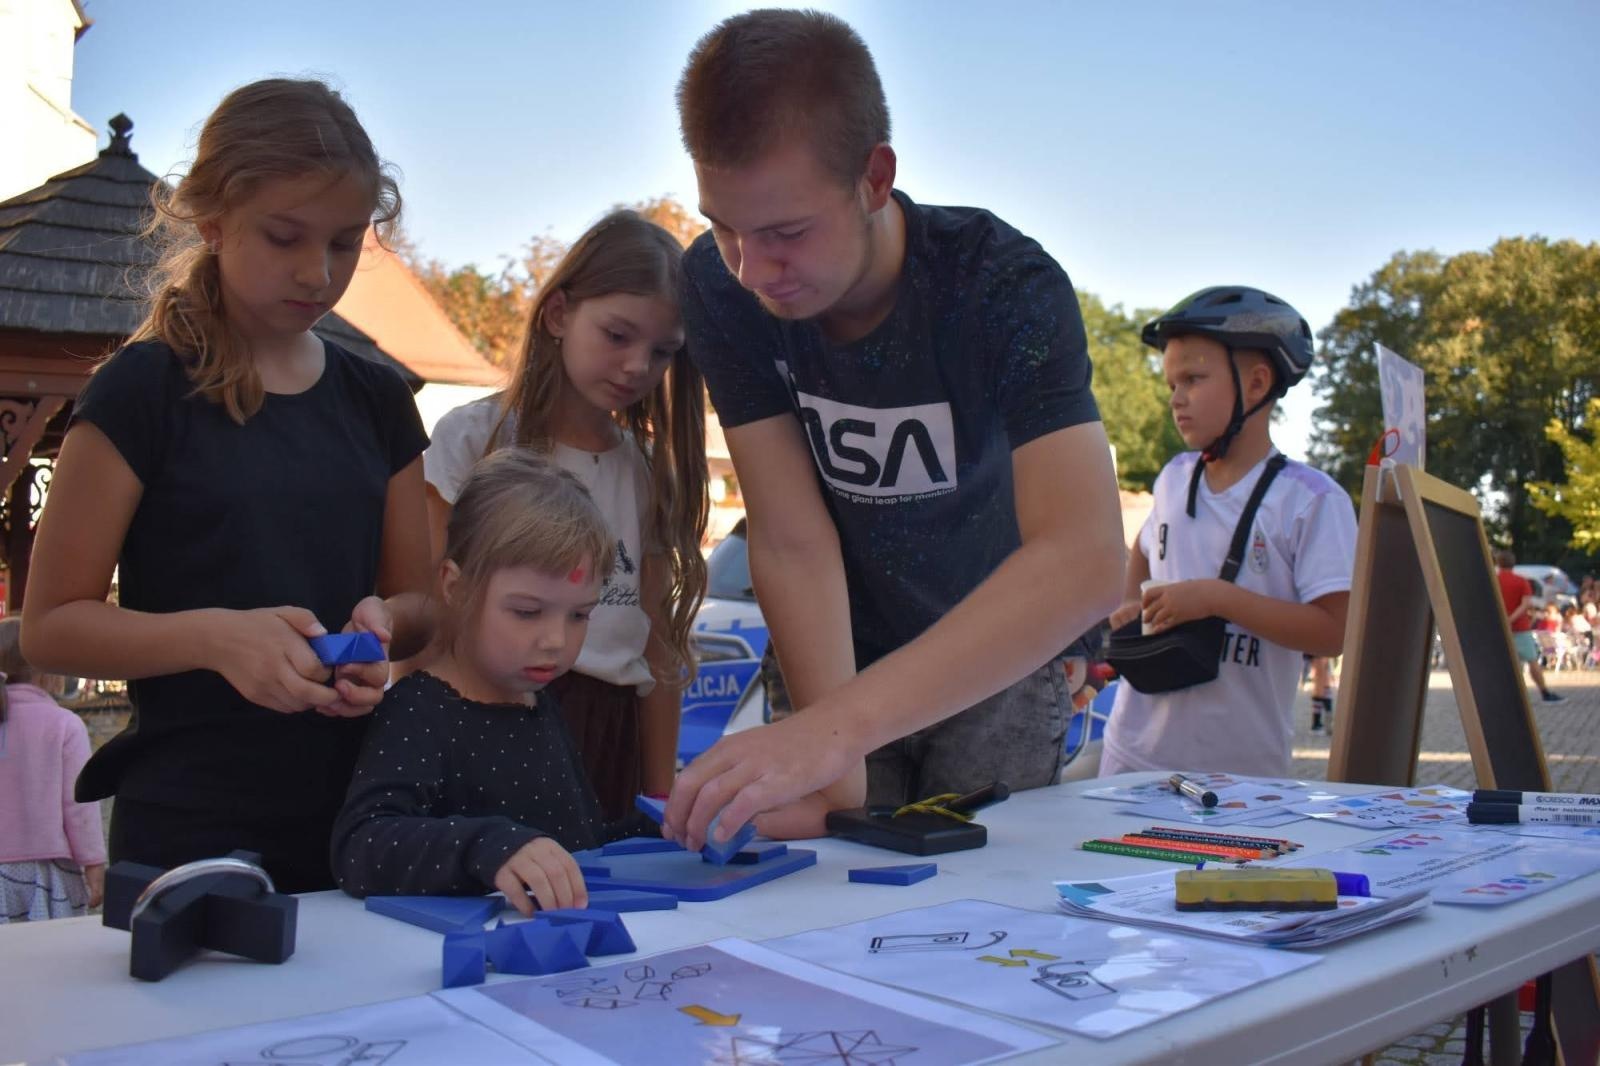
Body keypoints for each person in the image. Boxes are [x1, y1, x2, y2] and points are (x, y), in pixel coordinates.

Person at [667, 9, 1124, 847]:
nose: (750, 270)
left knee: (988, 918)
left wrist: (833, 731)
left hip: (995, 660)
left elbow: (1087, 558)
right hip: (833, 655)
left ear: (874, 178)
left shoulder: (1000, 283)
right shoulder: (719, 286)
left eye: (786, 233)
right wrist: (831, 747)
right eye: (723, 226)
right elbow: (791, 536)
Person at [21, 79, 434, 892]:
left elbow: (422, 601)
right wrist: (216, 640)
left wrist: (383, 633)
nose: (318, 272)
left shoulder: (380, 399)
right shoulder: (139, 391)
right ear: (212, 221)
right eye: (284, 237)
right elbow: (50, 628)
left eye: (346, 243)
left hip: (357, 818)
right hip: (187, 826)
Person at [422, 212, 707, 820]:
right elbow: (429, 619)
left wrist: (657, 797)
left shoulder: (652, 469)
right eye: (617, 335)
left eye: (662, 352)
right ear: (558, 315)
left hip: (610, 738)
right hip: (484, 727)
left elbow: (657, 644)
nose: (637, 366)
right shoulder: (473, 439)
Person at [333, 451, 642, 915]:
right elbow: (362, 845)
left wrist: (667, 826)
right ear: (455, 587)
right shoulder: (420, 709)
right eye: (526, 612)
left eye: (580, 615)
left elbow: (577, 844)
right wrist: (488, 846)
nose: (555, 640)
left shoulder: (537, 700)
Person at [1099, 287, 1358, 778]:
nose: (1176, 399)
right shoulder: (1174, 477)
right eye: (1171, 383)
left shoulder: (1311, 500)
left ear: (1257, 384)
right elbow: (1144, 543)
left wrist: (1218, 598)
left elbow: (1333, 632)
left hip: (1241, 775)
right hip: (1133, 755)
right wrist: (1131, 597)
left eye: (1193, 379)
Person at [0, 619, 106, 921]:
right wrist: (94, 862)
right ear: (48, 670)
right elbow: (79, 804)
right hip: (45, 870)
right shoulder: (63, 725)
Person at [1495, 551, 1563, 702]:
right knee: (1531, 660)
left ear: (1498, 562)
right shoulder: (1521, 581)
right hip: (1519, 627)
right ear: (1513, 563)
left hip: (1498, 628)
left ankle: (1502, 694)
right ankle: (1545, 692)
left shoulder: (1493, 580)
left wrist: (1502, 619)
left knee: (1500, 663)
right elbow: (1525, 604)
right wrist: (1511, 619)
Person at [1307, 656, 1336, 736]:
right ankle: (1317, 725)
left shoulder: (1322, 658)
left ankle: (1321, 725)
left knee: (1325, 705)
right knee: (1323, 706)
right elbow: (1319, 674)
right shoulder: (1319, 658)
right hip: (1321, 686)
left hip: (1323, 686)